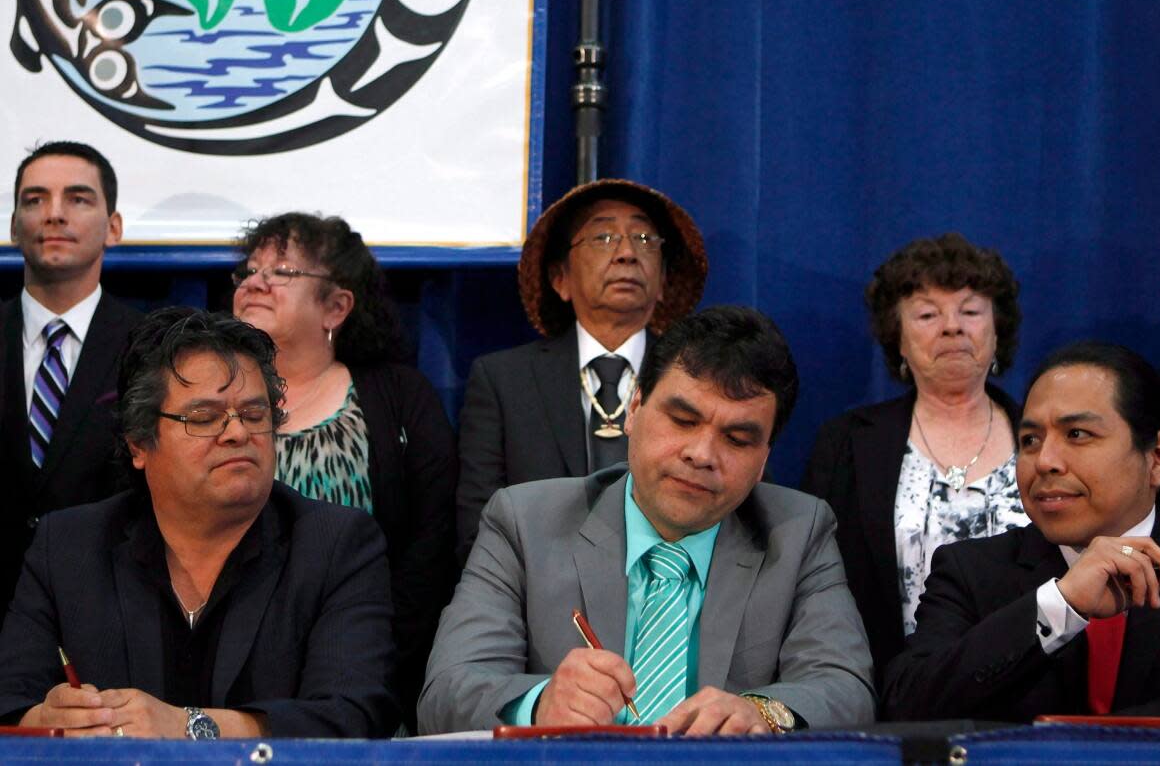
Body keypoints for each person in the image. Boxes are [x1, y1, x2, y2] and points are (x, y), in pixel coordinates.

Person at [420, 306, 874, 734]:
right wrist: (539, 704)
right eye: (681, 420)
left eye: (736, 440)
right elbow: (447, 692)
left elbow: (845, 687)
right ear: (634, 410)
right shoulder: (525, 522)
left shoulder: (798, 533)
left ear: (763, 460)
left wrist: (760, 712)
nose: (701, 455)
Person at [0, 308, 397, 737]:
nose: (237, 434)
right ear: (139, 443)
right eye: (204, 418)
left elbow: (353, 716)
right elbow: (10, 701)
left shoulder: (335, 546)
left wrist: (190, 726)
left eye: (254, 414)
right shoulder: (67, 547)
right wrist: (46, 721)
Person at [231, 212, 457, 733]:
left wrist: (375, 665)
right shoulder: (201, 402)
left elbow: (429, 547)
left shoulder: (398, 398)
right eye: (249, 270)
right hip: (224, 676)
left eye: (282, 271)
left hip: (364, 675)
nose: (255, 282)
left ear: (336, 306)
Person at [884, 342, 1160, 720]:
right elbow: (907, 705)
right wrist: (1060, 604)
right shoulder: (971, 570)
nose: (1045, 462)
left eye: (1077, 434)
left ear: (1159, 457)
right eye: (1030, 441)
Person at [801, 233, 1026, 687]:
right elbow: (811, 579)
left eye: (970, 311)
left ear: (996, 330)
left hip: (1030, 688)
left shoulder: (1045, 439)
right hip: (887, 694)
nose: (951, 327)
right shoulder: (846, 443)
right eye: (927, 314)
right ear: (898, 340)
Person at [456, 179, 708, 563]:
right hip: (536, 599)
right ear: (560, 279)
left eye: (643, 238)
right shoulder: (504, 381)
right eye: (603, 237)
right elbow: (480, 524)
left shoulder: (701, 379)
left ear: (663, 283)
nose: (626, 252)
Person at [0, 141, 141, 618]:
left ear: (114, 227)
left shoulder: (152, 349)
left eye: (78, 199)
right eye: (34, 199)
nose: (54, 214)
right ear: (13, 225)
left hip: (111, 611)